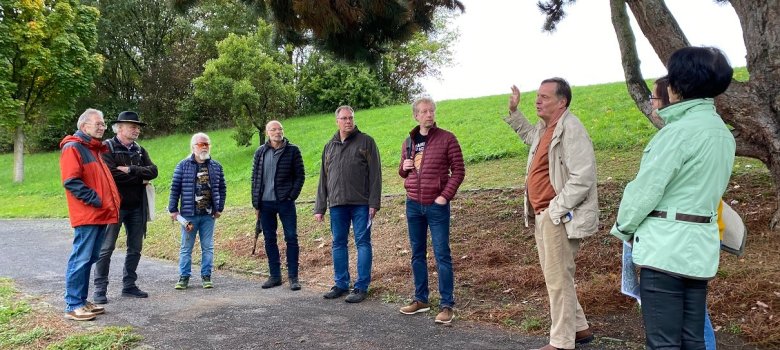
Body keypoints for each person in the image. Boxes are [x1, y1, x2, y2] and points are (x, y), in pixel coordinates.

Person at [610, 46, 735, 350]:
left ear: (679, 85)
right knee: (692, 339)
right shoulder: (721, 132)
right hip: (701, 248)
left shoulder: (677, 132)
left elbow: (645, 191)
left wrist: (624, 228)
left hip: (665, 247)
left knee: (663, 342)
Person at [504, 78, 599, 350]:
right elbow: (528, 136)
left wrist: (556, 208)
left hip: (557, 216)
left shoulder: (571, 128)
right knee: (556, 277)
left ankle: (561, 342)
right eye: (537, 96)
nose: (537, 100)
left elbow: (583, 177)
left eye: (544, 97)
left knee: (558, 280)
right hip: (543, 214)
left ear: (562, 102)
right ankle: (579, 329)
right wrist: (514, 112)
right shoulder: (546, 128)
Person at [397, 97, 465, 324]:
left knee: (441, 254)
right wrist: (404, 168)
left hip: (436, 207)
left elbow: (458, 171)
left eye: (431, 110)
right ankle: (421, 300)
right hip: (413, 205)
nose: (429, 114)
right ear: (416, 115)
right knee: (417, 254)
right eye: (424, 111)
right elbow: (403, 171)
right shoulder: (409, 141)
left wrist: (444, 197)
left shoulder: (447, 138)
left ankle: (446, 305)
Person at [314, 105, 382, 303]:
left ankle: (361, 287)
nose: (348, 121)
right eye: (344, 118)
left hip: (361, 203)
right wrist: (320, 207)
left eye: (351, 118)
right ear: (337, 121)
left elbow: (376, 175)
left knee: (363, 243)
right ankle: (341, 284)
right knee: (338, 244)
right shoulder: (329, 146)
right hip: (337, 204)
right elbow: (323, 178)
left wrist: (373, 203)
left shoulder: (366, 142)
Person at [59, 108, 121, 321]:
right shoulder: (73, 147)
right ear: (84, 126)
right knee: (81, 258)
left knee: (90, 257)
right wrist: (96, 199)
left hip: (100, 214)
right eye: (99, 123)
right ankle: (73, 304)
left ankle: (82, 301)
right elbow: (71, 181)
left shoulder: (95, 149)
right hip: (88, 214)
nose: (103, 127)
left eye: (103, 123)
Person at [93, 111, 158, 304]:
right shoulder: (107, 148)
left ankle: (129, 285)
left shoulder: (139, 150)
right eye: (133, 126)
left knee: (135, 248)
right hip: (114, 206)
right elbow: (111, 175)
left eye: (138, 127)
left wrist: (131, 169)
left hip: (137, 206)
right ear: (119, 128)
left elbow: (154, 171)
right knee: (106, 248)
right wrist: (140, 177)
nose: (137, 130)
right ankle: (100, 289)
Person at [168, 132, 227, 290]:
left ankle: (206, 276)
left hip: (208, 216)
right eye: (201, 144)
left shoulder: (216, 166)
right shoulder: (182, 165)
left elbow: (222, 188)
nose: (204, 147)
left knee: (207, 247)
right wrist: (173, 210)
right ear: (193, 147)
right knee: (186, 248)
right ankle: (184, 277)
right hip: (188, 215)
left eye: (207, 144)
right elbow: (175, 189)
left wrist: (219, 208)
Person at [251, 120, 305, 291]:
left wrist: (291, 196)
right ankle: (275, 276)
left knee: (291, 238)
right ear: (267, 132)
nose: (277, 132)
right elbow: (255, 178)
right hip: (265, 204)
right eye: (273, 129)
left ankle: (293, 277)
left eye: (279, 129)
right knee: (269, 239)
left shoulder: (293, 150)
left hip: (285, 202)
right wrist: (256, 203)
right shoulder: (260, 152)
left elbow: (300, 176)